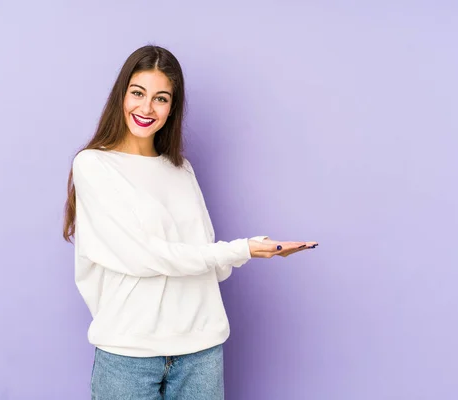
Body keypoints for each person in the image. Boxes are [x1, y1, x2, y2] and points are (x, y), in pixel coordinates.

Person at [62, 44, 318, 399]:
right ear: (122, 94)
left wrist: (245, 251)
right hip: (129, 353)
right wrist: (242, 249)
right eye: (138, 93)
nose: (147, 108)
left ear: (173, 107)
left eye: (161, 98)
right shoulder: (94, 165)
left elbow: (211, 265)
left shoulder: (181, 170)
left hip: (202, 350)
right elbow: (144, 256)